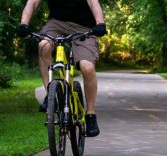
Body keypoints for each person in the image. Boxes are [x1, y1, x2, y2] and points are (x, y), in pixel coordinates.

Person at [17, 0, 107, 137]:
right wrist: (24, 23)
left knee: (87, 68)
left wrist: (100, 23)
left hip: (84, 27)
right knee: (43, 46)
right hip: (56, 23)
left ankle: (90, 115)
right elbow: (32, 3)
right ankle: (50, 94)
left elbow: (93, 3)